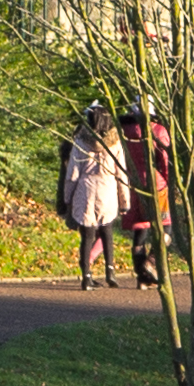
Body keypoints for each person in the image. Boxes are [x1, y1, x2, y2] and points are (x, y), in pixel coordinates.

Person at [57, 106, 131, 291]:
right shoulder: (115, 144)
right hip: (107, 190)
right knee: (107, 232)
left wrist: (67, 197)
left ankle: (87, 277)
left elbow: (73, 173)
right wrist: (125, 201)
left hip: (85, 191)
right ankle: (110, 271)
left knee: (87, 236)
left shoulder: (81, 142)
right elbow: (121, 173)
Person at [114, 102, 171, 288]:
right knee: (166, 229)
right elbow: (164, 160)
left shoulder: (123, 131)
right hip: (156, 184)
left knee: (140, 231)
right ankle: (151, 263)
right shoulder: (158, 131)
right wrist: (169, 182)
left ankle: (142, 278)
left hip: (133, 182)